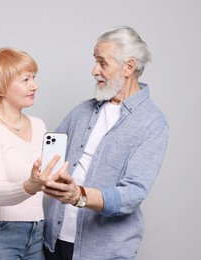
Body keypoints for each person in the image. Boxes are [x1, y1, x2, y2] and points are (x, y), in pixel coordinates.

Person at [42, 26, 169, 259]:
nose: (94, 70)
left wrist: (79, 195)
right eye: (95, 62)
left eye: (102, 63)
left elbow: (132, 193)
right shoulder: (82, 111)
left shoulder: (153, 123)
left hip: (103, 251)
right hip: (54, 242)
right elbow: (48, 159)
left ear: (128, 67)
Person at [0, 48, 66, 260]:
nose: (34, 86)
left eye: (34, 78)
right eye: (25, 79)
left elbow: (42, 183)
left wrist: (55, 182)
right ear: (1, 87)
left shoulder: (38, 125)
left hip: (36, 233)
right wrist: (31, 185)